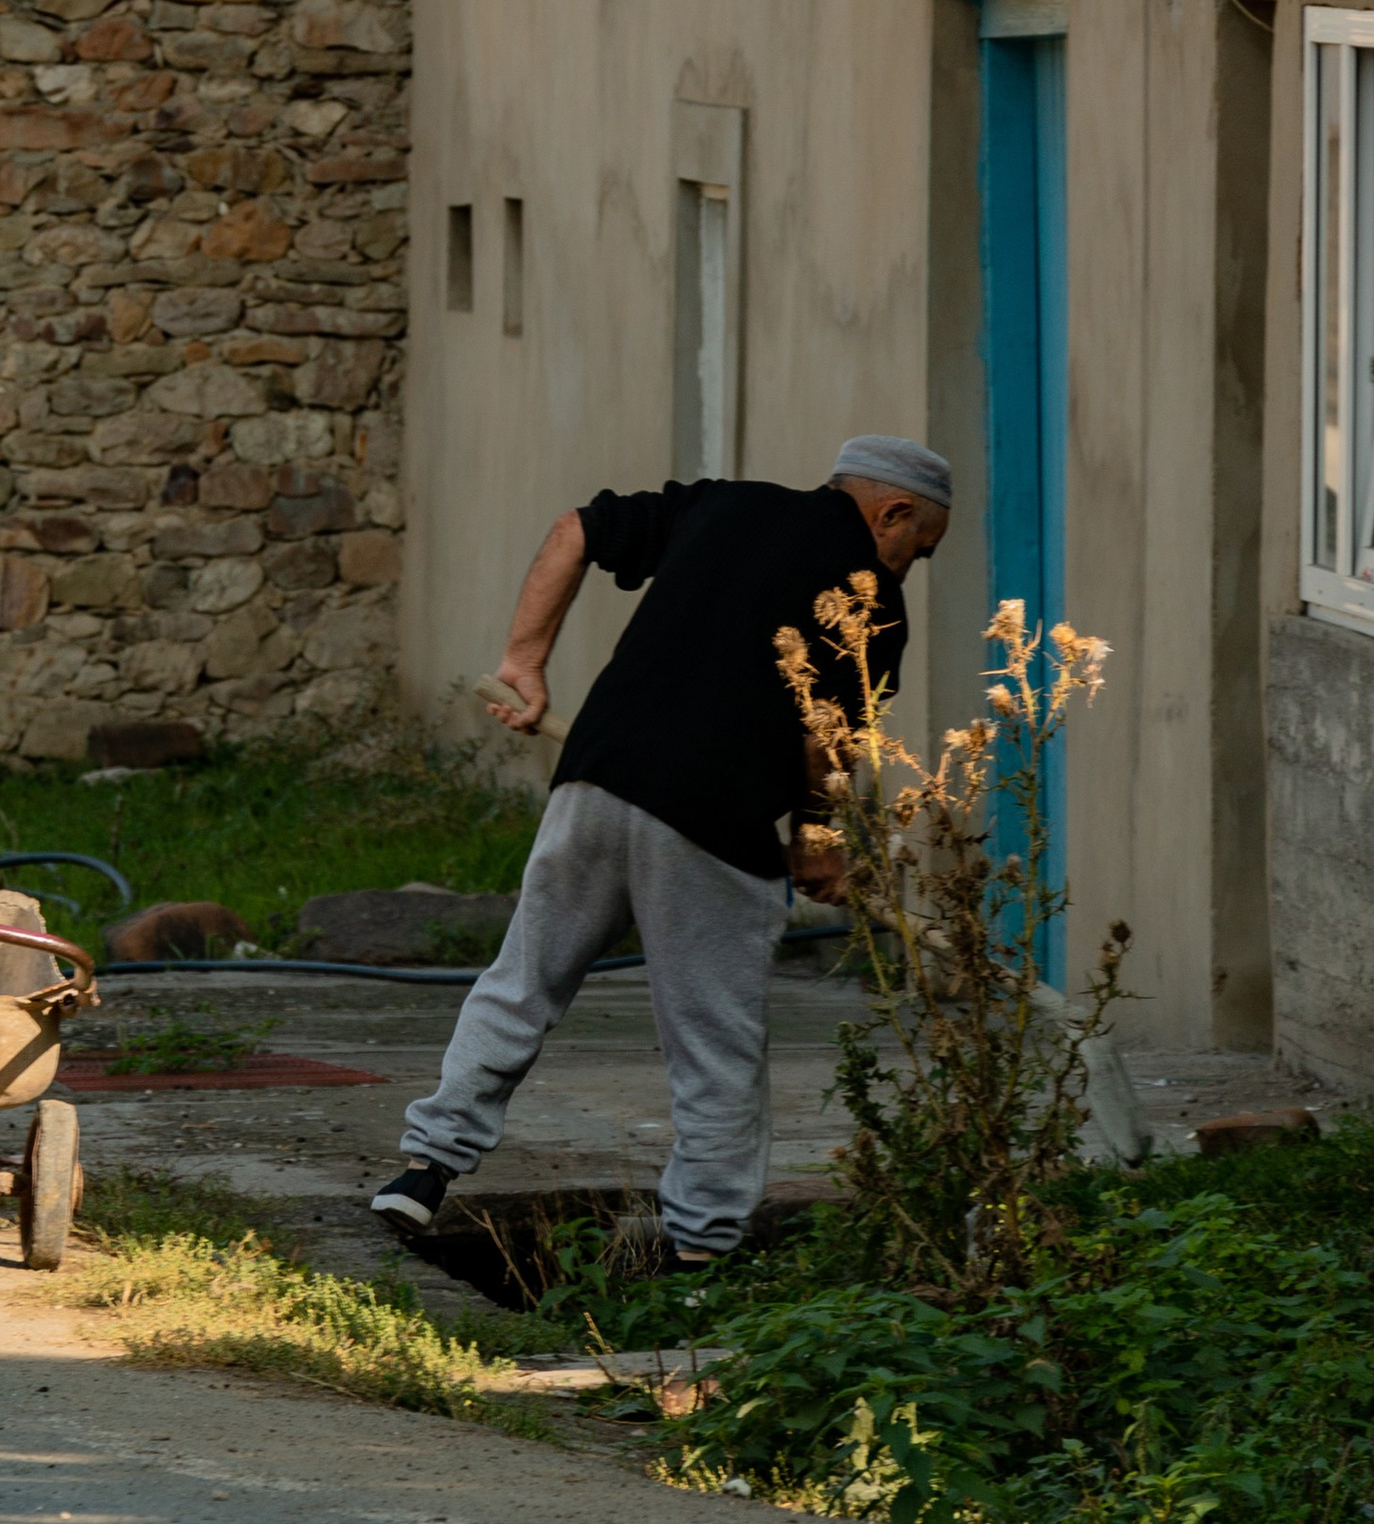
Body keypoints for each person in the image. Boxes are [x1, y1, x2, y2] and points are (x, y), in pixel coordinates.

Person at [368, 436, 953, 1267]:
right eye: (917, 550)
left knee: (522, 983)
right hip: (713, 824)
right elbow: (826, 740)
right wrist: (816, 844)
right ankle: (698, 1254)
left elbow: (575, 529)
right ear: (892, 513)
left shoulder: (726, 504)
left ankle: (423, 1172)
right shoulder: (871, 601)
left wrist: (525, 662)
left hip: (596, 782)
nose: (908, 569)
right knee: (714, 1045)